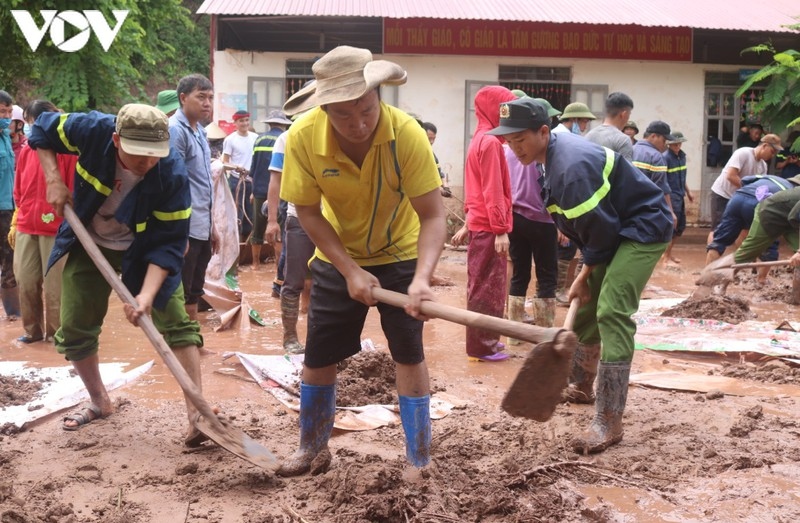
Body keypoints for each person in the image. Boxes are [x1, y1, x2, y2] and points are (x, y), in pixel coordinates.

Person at [278, 45, 445, 476]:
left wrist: (422, 279)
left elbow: (432, 215)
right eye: (344, 115)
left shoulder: (405, 134)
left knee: (408, 352)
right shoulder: (301, 137)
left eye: (366, 109)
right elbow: (309, 212)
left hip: (401, 254)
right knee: (318, 356)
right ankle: (311, 447)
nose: (359, 124)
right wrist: (350, 270)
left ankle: (419, 457)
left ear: (378, 95)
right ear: (324, 108)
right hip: (337, 256)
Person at [487, 98, 672, 453]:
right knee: (586, 309)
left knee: (612, 310)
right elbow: (589, 229)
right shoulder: (546, 156)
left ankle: (609, 420)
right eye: (509, 142)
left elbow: (600, 233)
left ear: (544, 131)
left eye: (520, 140)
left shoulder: (569, 167)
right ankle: (582, 384)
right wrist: (586, 276)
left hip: (642, 228)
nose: (514, 148)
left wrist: (582, 273)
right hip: (615, 229)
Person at [28, 104, 206, 445]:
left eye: (154, 155)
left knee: (177, 321)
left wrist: (146, 296)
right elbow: (43, 129)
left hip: (144, 248)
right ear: (115, 139)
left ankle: (197, 415)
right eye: (137, 154)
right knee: (76, 324)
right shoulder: (92, 130)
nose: (146, 163)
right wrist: (53, 178)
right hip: (89, 239)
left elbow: (168, 246)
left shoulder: (171, 174)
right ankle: (99, 400)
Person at [451, 85, 516, 362]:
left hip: (481, 224)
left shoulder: (479, 139)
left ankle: (486, 341)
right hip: (490, 228)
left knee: (484, 285)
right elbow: (491, 189)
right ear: (492, 110)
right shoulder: (490, 143)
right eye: (503, 110)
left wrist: (468, 221)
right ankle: (482, 346)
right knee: (488, 288)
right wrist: (501, 229)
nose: (507, 116)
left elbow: (473, 188)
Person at [9, 100, 76, 344]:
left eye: (32, 123)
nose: (30, 128)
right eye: (28, 123)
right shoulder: (27, 150)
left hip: (55, 228)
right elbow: (19, 188)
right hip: (27, 223)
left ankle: (57, 335)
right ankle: (32, 331)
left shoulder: (67, 154)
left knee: (55, 288)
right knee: (25, 280)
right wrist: (17, 218)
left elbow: (71, 191)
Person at [505, 94, 559, 337]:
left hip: (515, 218)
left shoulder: (507, 151)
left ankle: (514, 335)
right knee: (547, 276)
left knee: (520, 273)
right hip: (543, 220)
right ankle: (545, 335)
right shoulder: (542, 151)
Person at [169, 74, 218, 321]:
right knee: (181, 289)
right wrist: (180, 230)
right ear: (183, 98)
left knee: (194, 291)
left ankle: (194, 345)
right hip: (186, 227)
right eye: (201, 97)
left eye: (210, 97)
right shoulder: (176, 131)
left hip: (202, 226)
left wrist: (213, 227)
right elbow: (172, 183)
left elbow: (204, 184)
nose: (207, 103)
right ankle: (180, 346)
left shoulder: (199, 132)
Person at [265, 119, 314, 354]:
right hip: (299, 217)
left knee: (330, 282)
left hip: (335, 220)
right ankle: (290, 337)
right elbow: (275, 180)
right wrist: (272, 220)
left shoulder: (337, 132)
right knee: (293, 281)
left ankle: (320, 336)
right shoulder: (288, 138)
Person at [705, 174, 799, 268]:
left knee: (720, 241)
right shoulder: (790, 192)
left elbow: (744, 180)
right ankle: (761, 280)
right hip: (763, 208)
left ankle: (707, 272)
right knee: (767, 247)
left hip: (738, 198)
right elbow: (793, 217)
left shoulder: (773, 178)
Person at [708, 134, 782, 236]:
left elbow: (759, 187)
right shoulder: (743, 153)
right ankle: (712, 251)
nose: (772, 156)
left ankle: (742, 252)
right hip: (723, 194)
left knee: (744, 228)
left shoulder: (763, 166)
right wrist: (749, 190)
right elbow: (731, 176)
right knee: (718, 228)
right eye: (772, 152)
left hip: (739, 198)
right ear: (765, 146)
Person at [249, 110, 292, 270]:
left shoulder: (259, 139)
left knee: (258, 228)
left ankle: (255, 265)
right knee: (279, 231)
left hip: (260, 189)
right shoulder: (287, 138)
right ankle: (277, 268)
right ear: (283, 124)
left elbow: (253, 167)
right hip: (279, 192)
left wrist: (253, 191)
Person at [724, 185, 800, 271]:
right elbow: (795, 216)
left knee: (798, 258)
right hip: (770, 212)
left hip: (790, 218)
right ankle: (716, 275)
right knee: (746, 253)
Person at [632, 121, 677, 226]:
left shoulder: (629, 149)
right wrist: (670, 212)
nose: (665, 144)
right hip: (646, 211)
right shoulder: (656, 157)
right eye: (664, 140)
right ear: (653, 136)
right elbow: (661, 188)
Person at [222, 110, 258, 241]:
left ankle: (247, 246)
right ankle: (235, 245)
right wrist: (236, 168)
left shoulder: (255, 137)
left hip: (251, 181)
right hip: (236, 181)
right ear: (235, 123)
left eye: (246, 120)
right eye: (241, 121)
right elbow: (224, 162)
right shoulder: (230, 140)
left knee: (251, 214)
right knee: (237, 214)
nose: (245, 123)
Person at [0, 90, 20, 319]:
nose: (6, 116)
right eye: (1, 111)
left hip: (9, 206)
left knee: (10, 258)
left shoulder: (6, 135)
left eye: (8, 111)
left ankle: (13, 316)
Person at [662, 131, 694, 265]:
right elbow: (663, 181)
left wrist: (688, 191)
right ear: (669, 144)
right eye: (674, 143)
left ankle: (668, 254)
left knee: (680, 227)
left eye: (679, 143)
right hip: (671, 196)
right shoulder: (665, 158)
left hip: (680, 195)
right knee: (671, 227)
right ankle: (665, 257)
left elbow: (682, 177)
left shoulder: (682, 157)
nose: (677, 146)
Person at [584, 92, 634, 160]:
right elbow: (627, 170)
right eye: (629, 114)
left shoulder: (589, 135)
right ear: (624, 114)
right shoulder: (623, 140)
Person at [422, 121, 451, 197]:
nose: (432, 142)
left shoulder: (432, 154)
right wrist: (439, 189)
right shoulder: (417, 154)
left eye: (434, 138)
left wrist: (446, 186)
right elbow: (423, 177)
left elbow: (438, 172)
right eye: (429, 138)